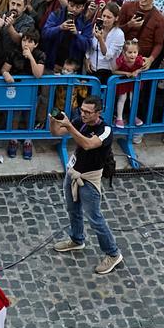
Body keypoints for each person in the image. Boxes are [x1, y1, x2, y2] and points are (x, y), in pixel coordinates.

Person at [49, 96, 123, 275]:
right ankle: (77, 239)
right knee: (72, 209)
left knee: (95, 218)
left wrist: (69, 126)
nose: (83, 114)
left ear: (98, 112)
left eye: (88, 112)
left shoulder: (105, 130)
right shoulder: (79, 121)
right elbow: (56, 133)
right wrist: (53, 121)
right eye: (81, 110)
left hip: (89, 178)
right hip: (73, 171)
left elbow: (88, 144)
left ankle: (113, 253)